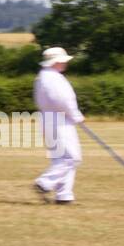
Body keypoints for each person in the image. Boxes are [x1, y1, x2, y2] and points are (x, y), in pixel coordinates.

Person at [33, 47, 85, 204]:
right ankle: (45, 183)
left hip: (50, 118)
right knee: (71, 158)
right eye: (63, 61)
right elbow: (61, 100)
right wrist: (75, 115)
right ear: (55, 62)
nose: (65, 63)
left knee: (60, 159)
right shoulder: (52, 78)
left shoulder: (44, 77)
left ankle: (64, 195)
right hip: (60, 120)